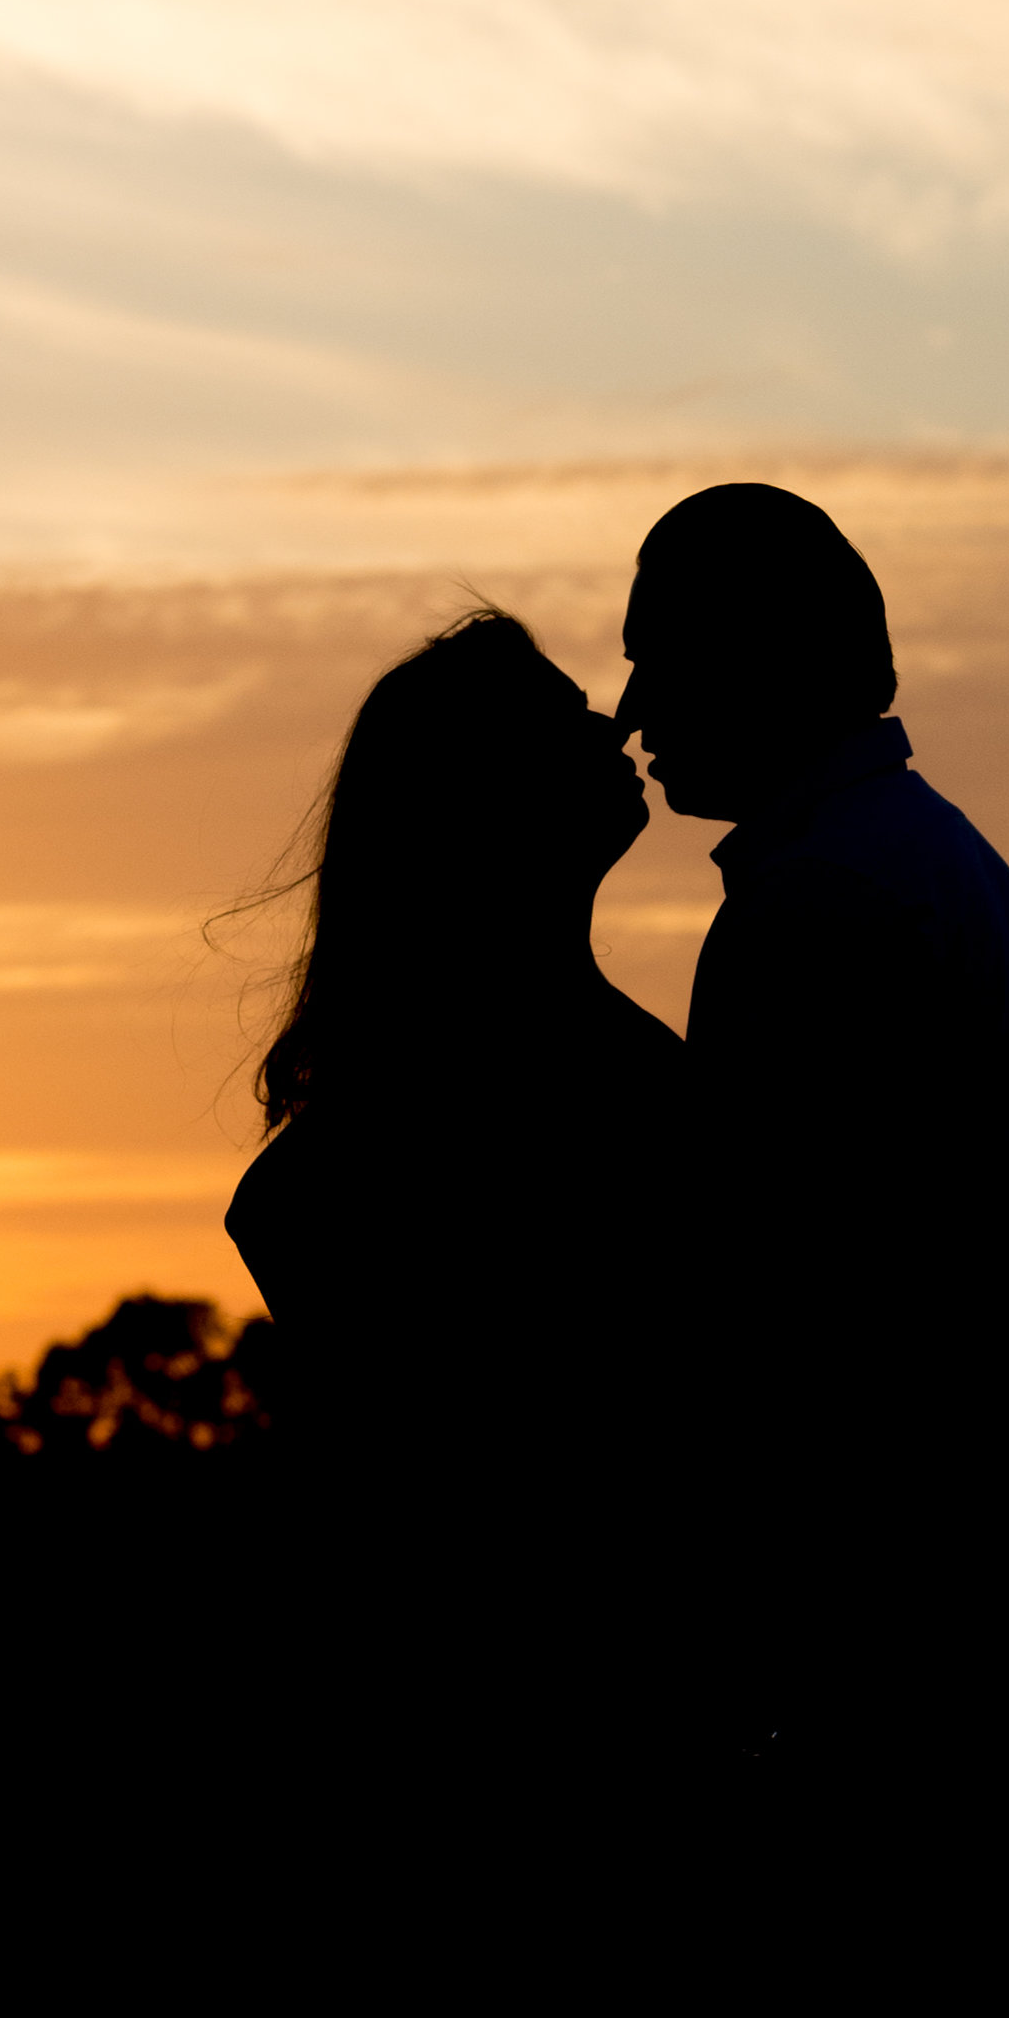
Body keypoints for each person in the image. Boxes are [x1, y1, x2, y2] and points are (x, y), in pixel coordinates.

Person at [616, 481, 1009, 1762]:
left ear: (758, 660)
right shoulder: (923, 854)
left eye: (658, 657)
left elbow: (772, 1305)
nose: (635, 707)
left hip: (878, 1586)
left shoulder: (813, 904)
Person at [224, 608, 691, 1764]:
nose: (613, 721)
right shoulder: (364, 1169)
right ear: (482, 806)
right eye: (558, 717)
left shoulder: (335, 1166)